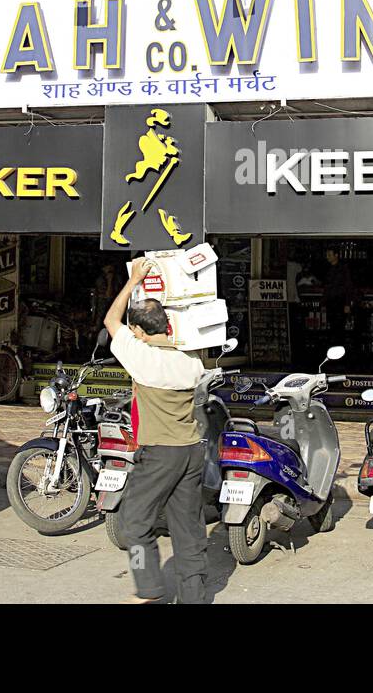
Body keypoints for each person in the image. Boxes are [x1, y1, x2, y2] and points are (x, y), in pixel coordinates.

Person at [104, 257, 207, 605]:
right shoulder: (191, 362)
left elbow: (110, 320)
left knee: (133, 523)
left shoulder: (142, 357)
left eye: (136, 330)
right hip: (192, 451)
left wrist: (134, 281)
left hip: (160, 453)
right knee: (188, 528)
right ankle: (193, 597)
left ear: (140, 332)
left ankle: (148, 590)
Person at [322, 247, 355, 346]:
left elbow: (348, 286)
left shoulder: (343, 269)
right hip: (331, 302)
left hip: (340, 301)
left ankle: (339, 349)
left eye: (329, 255)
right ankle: (335, 349)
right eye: (327, 255)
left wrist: (347, 303)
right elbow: (327, 287)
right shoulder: (328, 269)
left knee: (339, 327)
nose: (327, 257)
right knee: (333, 326)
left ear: (336, 255)